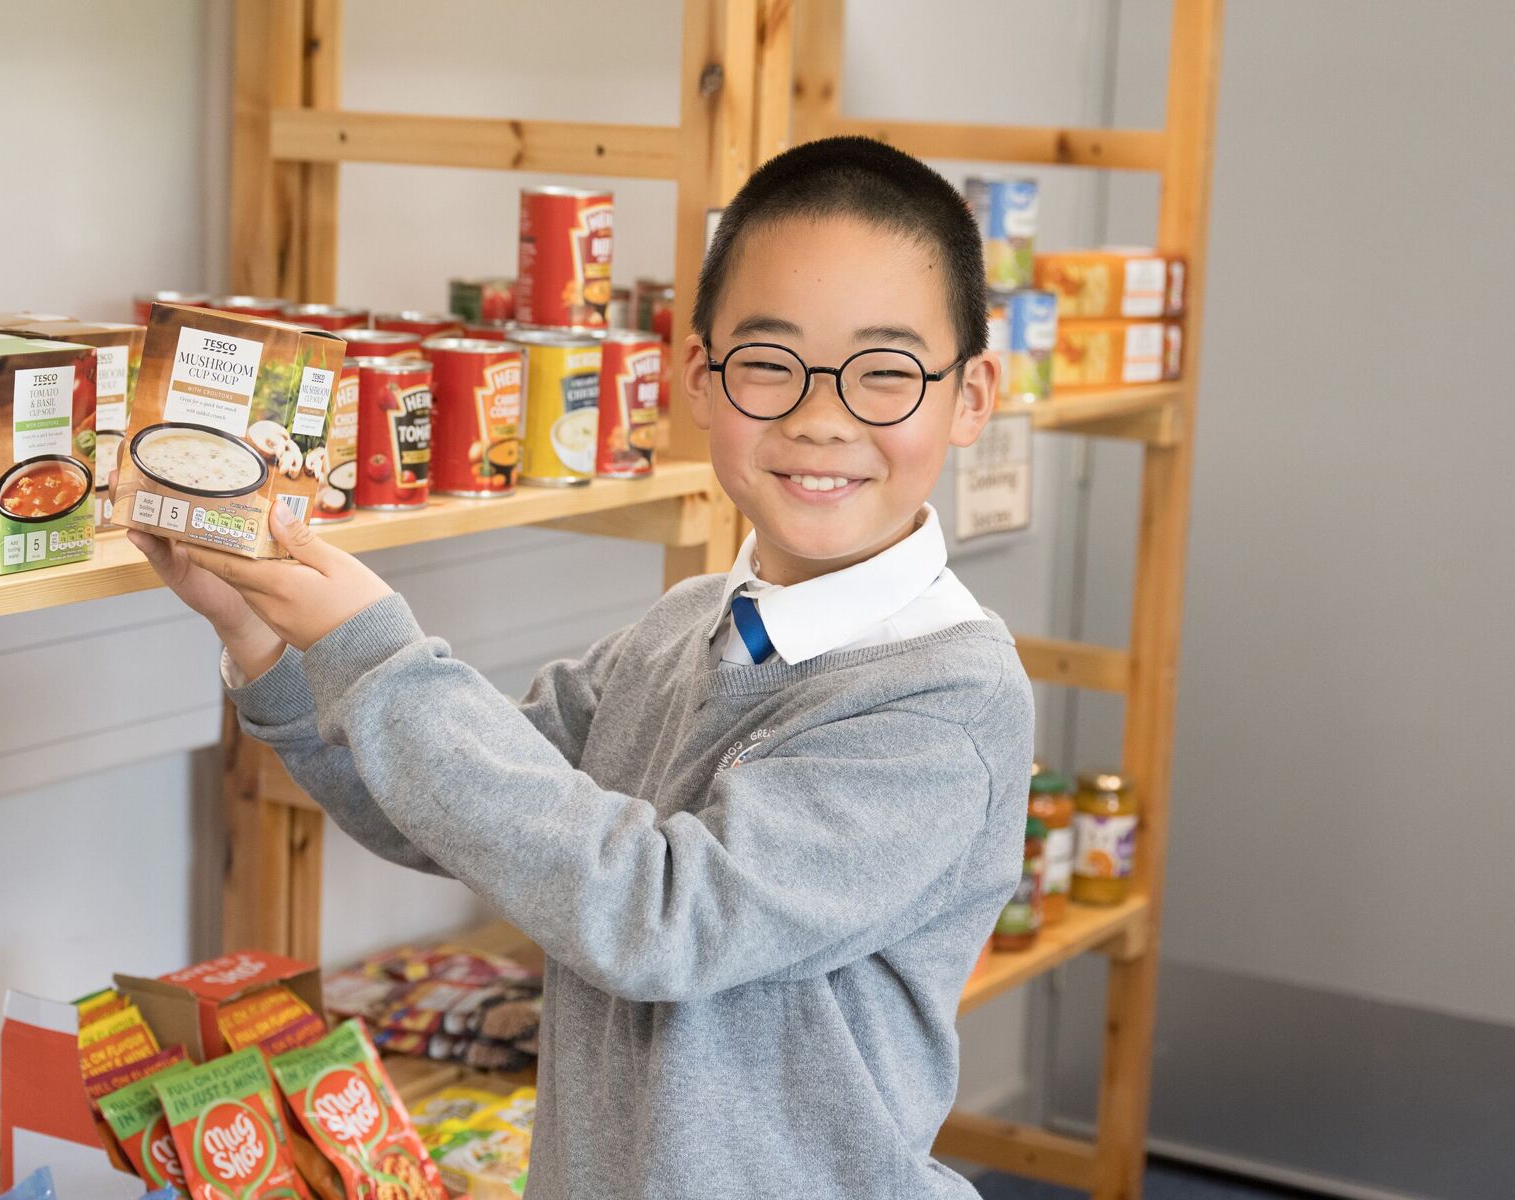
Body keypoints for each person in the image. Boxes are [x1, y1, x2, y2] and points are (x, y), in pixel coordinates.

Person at [132, 135, 1033, 1198]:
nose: (819, 416)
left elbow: (658, 918)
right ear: (695, 375)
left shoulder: (946, 707)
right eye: (766, 362)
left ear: (970, 394)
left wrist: (372, 643)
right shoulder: (686, 626)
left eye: (884, 372)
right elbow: (448, 810)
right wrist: (267, 643)